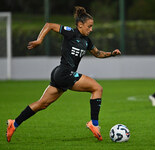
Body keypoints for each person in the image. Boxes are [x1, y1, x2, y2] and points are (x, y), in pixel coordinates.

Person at [6, 6, 121, 142]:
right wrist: (39, 40)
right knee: (97, 88)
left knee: (42, 104)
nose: (91, 29)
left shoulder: (87, 41)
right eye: (89, 26)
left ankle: (15, 123)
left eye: (92, 27)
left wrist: (111, 54)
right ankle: (94, 124)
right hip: (65, 73)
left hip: (60, 74)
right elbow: (49, 25)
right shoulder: (71, 33)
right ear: (80, 25)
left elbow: (97, 53)